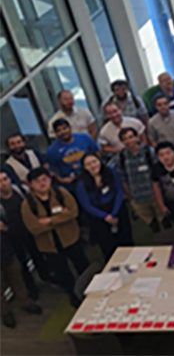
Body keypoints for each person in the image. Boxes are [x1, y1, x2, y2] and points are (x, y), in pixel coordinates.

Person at [20, 168, 89, 306]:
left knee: (83, 267)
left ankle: (91, 291)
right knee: (64, 275)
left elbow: (73, 212)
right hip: (50, 247)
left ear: (50, 179)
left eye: (44, 179)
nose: (42, 183)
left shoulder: (61, 193)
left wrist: (49, 220)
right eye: (37, 181)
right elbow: (34, 228)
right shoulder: (27, 204)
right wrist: (62, 218)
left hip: (71, 239)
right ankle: (74, 298)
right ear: (30, 184)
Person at [0, 172, 44, 328]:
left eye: (4, 180)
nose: (3, 183)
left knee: (17, 278)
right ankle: (6, 313)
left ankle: (25, 302)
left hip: (6, 249)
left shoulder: (18, 191)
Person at [74, 153, 132, 260]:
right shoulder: (81, 183)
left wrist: (114, 213)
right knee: (108, 246)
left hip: (116, 209)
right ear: (84, 167)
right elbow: (86, 205)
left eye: (94, 162)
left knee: (126, 239)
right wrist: (105, 216)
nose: (93, 165)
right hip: (98, 216)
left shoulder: (110, 173)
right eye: (88, 164)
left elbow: (119, 191)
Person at [112, 128, 167, 234]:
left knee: (165, 220)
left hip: (155, 195)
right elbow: (123, 178)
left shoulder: (148, 151)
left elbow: (159, 172)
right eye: (125, 139)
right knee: (152, 224)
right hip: (137, 198)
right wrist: (130, 197)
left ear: (137, 137)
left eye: (131, 137)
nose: (129, 141)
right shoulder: (121, 157)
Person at [46, 119, 99, 188]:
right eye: (58, 131)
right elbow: (53, 170)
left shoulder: (85, 138)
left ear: (70, 128)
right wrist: (62, 180)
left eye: (65, 128)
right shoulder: (52, 150)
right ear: (55, 134)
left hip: (92, 176)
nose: (63, 132)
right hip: (72, 184)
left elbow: (97, 154)